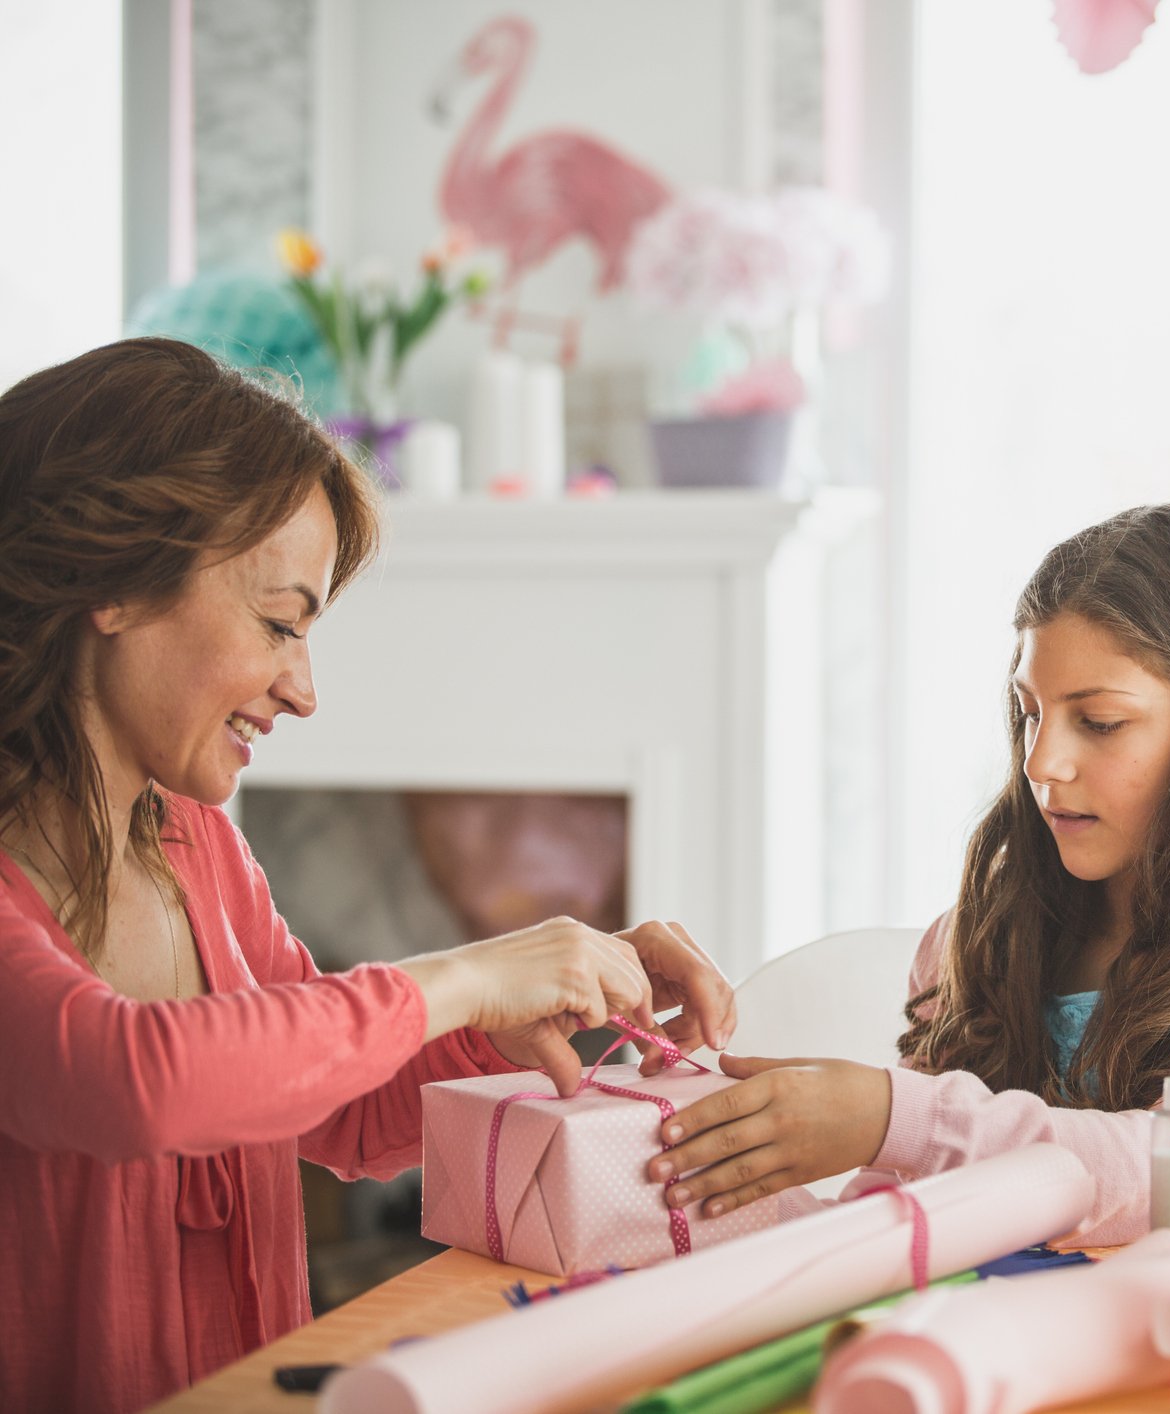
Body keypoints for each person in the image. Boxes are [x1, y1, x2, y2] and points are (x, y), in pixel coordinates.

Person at [0, 338, 738, 1412]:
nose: (303, 688)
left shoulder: (199, 852)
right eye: (278, 623)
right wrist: (472, 976)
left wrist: (545, 1001)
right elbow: (135, 1082)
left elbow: (340, 1107)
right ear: (114, 584)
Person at [651, 504, 1170, 1242]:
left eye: (1098, 723)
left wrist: (892, 1117)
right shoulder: (984, 932)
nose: (1040, 763)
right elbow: (909, 1210)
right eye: (1029, 712)